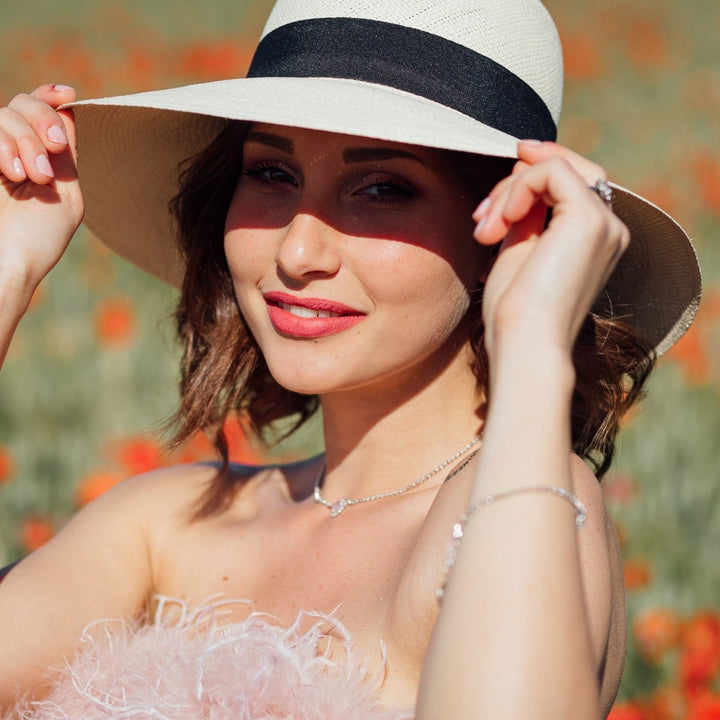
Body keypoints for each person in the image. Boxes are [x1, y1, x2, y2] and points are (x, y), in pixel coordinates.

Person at [0, 1, 701, 718]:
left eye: (383, 189)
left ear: (506, 233)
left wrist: (530, 348)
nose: (298, 253)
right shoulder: (163, 522)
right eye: (271, 173)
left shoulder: (526, 503)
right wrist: (7, 267)